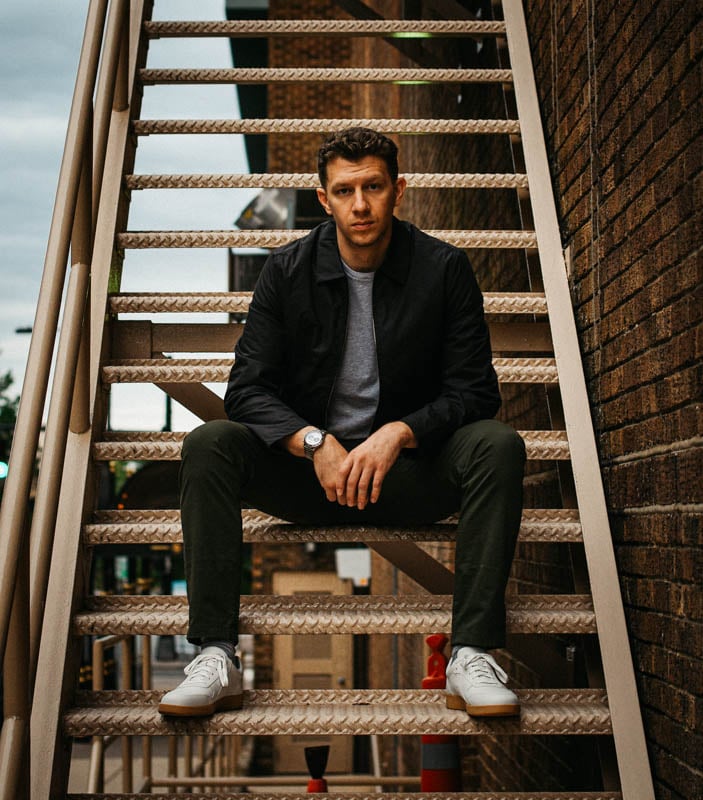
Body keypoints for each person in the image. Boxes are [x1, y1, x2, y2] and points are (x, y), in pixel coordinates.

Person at [158, 127, 526, 719]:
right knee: (209, 443)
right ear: (323, 198)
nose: (360, 204)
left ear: (398, 190)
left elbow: (476, 392)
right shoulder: (285, 272)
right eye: (345, 190)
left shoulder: (444, 269)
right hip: (310, 478)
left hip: (407, 473)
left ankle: (472, 652)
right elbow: (247, 391)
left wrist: (400, 432)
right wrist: (312, 442)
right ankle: (215, 654)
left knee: (497, 446)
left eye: (374, 187)